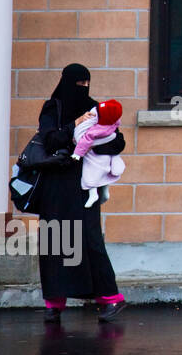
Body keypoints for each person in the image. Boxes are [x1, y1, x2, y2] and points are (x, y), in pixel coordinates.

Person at [35, 64, 127, 323]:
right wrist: (74, 127)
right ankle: (54, 303)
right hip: (56, 183)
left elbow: (118, 141)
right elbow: (50, 139)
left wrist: (98, 140)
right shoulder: (54, 108)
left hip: (85, 186)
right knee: (57, 241)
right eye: (79, 84)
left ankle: (110, 298)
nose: (84, 89)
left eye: (87, 84)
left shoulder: (95, 108)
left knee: (89, 240)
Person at [71, 98, 125, 208]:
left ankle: (94, 194)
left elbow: (85, 139)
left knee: (92, 173)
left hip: (93, 158)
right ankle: (103, 190)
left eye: (87, 83)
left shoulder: (99, 117)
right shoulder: (106, 119)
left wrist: (80, 152)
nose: (85, 86)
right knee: (101, 173)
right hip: (71, 177)